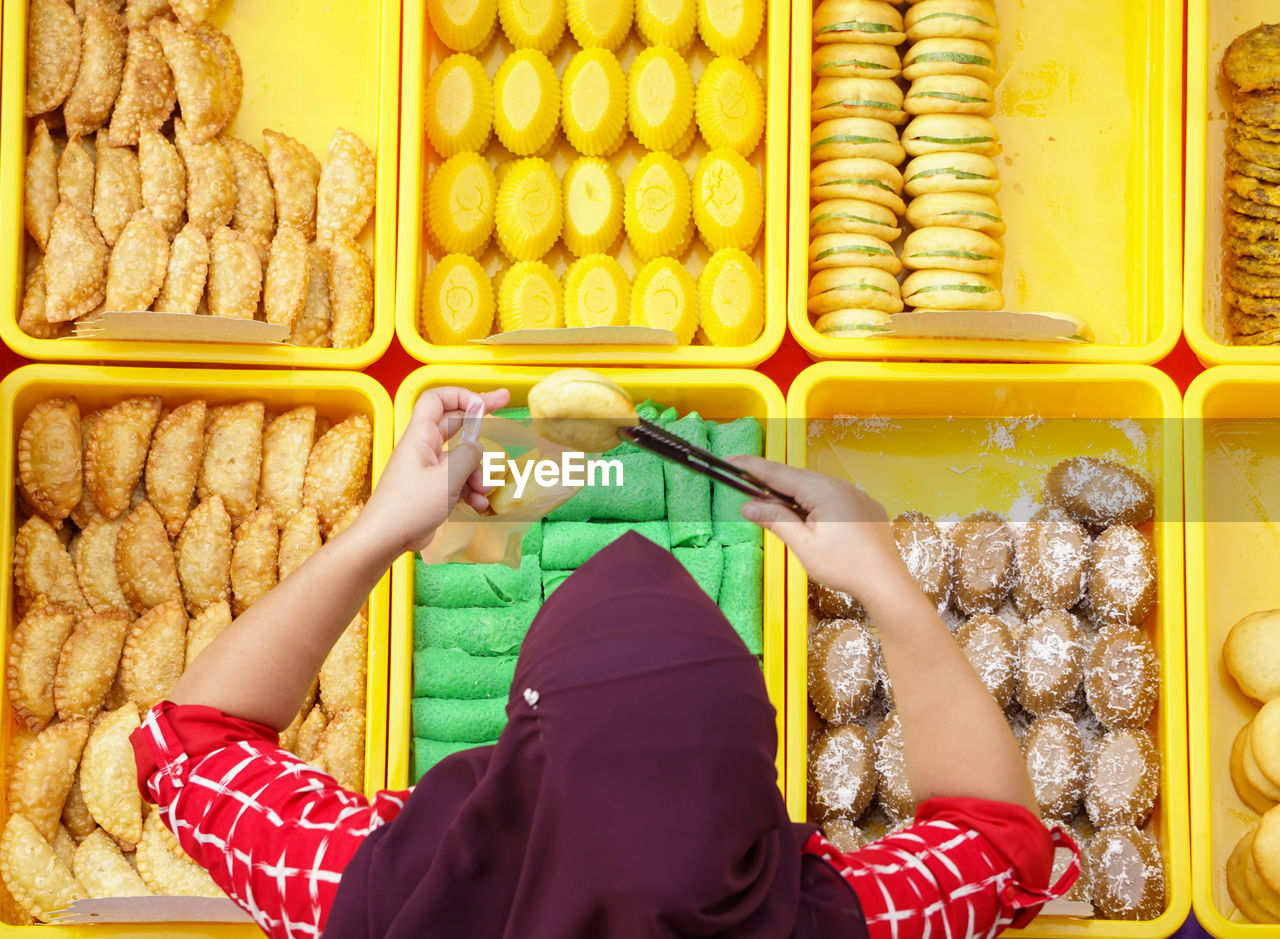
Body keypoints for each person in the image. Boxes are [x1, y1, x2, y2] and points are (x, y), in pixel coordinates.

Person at [131, 387, 1078, 939]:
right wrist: (893, 591)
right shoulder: (830, 922)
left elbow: (188, 747)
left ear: (516, 756)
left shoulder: (380, 894)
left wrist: (379, 533)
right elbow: (998, 843)